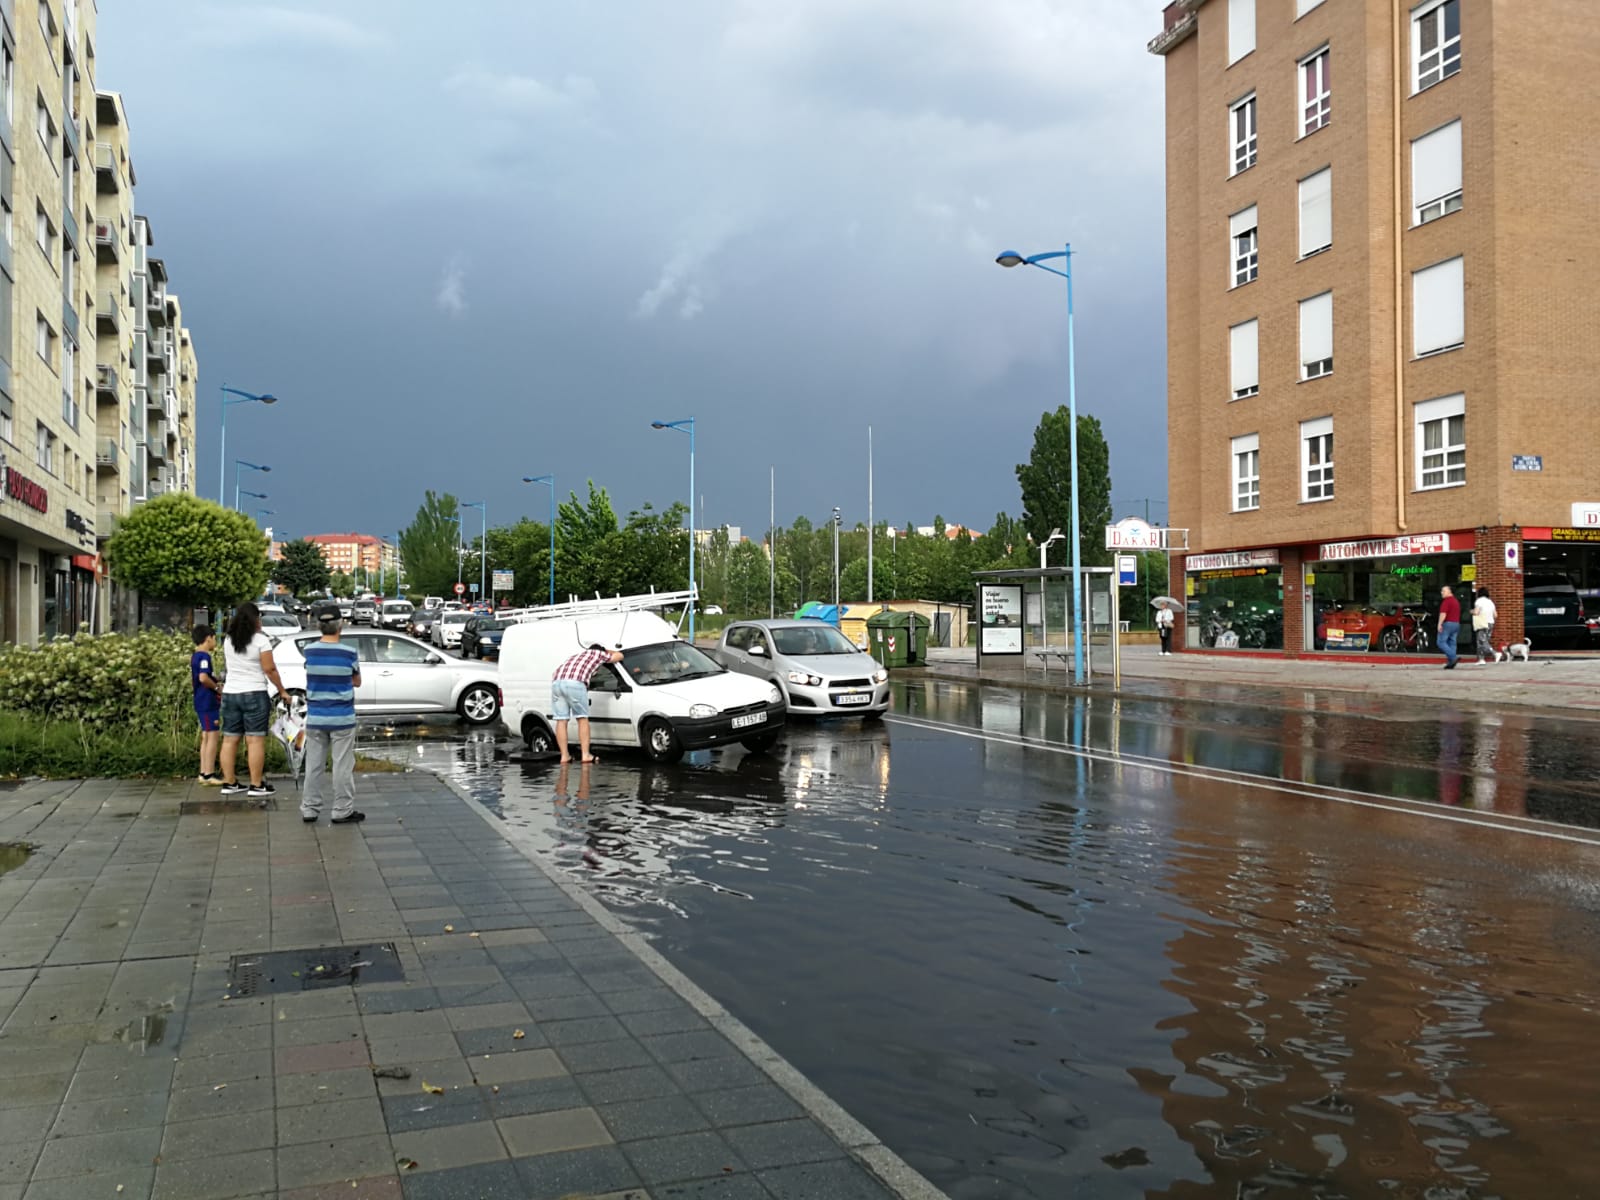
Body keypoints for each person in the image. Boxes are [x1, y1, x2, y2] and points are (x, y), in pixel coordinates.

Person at [300, 600, 364, 825]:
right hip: (342, 718)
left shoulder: (309, 651)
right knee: (342, 765)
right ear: (340, 626)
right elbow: (357, 681)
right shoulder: (349, 652)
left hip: (316, 717)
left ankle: (309, 808)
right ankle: (341, 810)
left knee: (314, 765)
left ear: (319, 627)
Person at [219, 601, 291, 798]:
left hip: (231, 693)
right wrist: (282, 690)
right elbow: (269, 669)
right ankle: (256, 784)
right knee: (254, 740)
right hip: (254, 693)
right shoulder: (261, 640)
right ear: (256, 619)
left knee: (229, 740)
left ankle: (229, 782)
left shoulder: (228, 639)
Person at [552, 643, 625, 763]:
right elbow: (619, 655)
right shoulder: (598, 654)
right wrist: (607, 651)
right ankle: (585, 755)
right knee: (582, 718)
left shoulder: (576, 656)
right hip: (575, 683)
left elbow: (554, 673)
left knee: (561, 720)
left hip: (557, 683)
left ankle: (564, 756)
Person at [191, 626, 223, 785]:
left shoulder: (195, 655)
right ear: (208, 638)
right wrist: (217, 687)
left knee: (206, 736)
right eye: (215, 638)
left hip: (200, 701)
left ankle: (203, 772)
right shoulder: (204, 656)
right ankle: (209, 774)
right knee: (212, 736)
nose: (215, 641)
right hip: (208, 701)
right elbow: (203, 677)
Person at [1437, 584, 1461, 670]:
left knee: (1441, 642)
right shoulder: (1456, 601)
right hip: (1456, 624)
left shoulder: (1446, 601)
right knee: (1452, 643)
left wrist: (1439, 623)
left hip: (1447, 624)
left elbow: (1443, 613)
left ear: (1449, 591)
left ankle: (1453, 657)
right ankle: (1451, 663)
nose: (1441, 592)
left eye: (1444, 591)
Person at [1472, 587, 1497, 664]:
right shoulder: (1490, 602)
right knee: (1485, 640)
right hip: (1491, 623)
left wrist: (1471, 611)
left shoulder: (1479, 601)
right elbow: (1495, 615)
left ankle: (1495, 653)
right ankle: (1481, 659)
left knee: (1481, 641)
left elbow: (1476, 612)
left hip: (1482, 623)